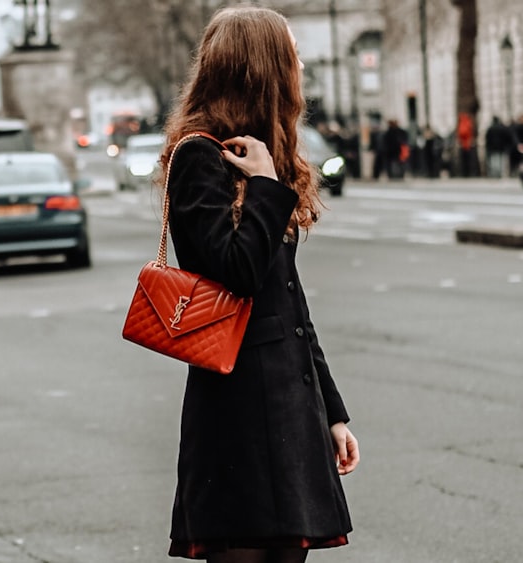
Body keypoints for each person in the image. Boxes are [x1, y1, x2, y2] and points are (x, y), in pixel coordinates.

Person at [156, 6, 359, 562]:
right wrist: (267, 184)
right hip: (237, 410)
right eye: (290, 54)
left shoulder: (262, 155)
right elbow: (237, 272)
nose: (299, 64)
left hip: (288, 408)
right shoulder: (199, 157)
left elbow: (289, 302)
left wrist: (332, 413)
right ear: (261, 67)